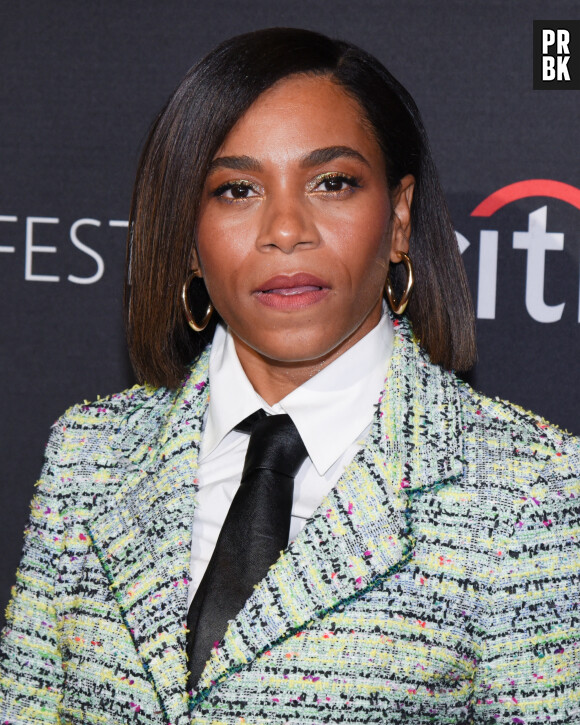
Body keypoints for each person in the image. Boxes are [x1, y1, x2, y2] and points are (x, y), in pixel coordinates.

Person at [0, 27, 578, 725]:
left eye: (331, 183)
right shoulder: (87, 456)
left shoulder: (530, 487)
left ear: (398, 218)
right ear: (187, 236)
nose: (284, 228)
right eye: (237, 189)